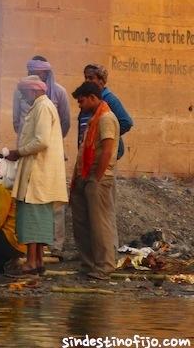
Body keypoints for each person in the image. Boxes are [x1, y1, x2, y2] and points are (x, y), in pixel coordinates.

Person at [6, 75, 68, 275]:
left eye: (24, 93)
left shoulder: (42, 107)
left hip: (38, 172)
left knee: (33, 218)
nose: (23, 98)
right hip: (39, 173)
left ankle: (32, 262)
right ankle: (38, 261)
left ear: (33, 90)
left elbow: (41, 141)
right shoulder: (43, 106)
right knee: (38, 218)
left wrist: (20, 151)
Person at [70, 81, 120, 280]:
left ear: (92, 97)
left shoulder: (106, 118)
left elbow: (107, 150)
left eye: (81, 101)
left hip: (97, 178)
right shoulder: (92, 119)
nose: (80, 105)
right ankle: (88, 264)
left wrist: (97, 178)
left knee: (99, 224)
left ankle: (104, 266)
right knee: (83, 223)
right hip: (85, 176)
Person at [79, 64, 133, 160]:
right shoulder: (88, 100)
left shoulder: (109, 99)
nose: (87, 81)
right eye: (86, 78)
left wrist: (106, 136)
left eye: (91, 78)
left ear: (101, 82)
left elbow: (126, 122)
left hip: (102, 156)